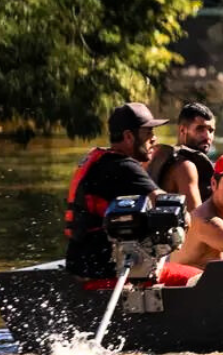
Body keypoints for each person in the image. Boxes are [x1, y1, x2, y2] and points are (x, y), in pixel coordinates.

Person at [63, 102, 201, 286]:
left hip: (80, 268)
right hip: (108, 276)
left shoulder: (99, 160)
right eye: (148, 133)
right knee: (198, 279)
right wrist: (186, 218)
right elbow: (167, 203)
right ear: (129, 136)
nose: (154, 138)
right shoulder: (124, 167)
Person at [148, 102, 217, 210]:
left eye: (211, 130)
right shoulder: (185, 166)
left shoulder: (158, 157)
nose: (207, 136)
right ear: (182, 130)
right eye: (200, 129)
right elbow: (196, 219)